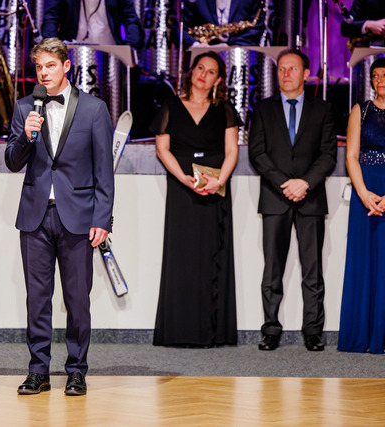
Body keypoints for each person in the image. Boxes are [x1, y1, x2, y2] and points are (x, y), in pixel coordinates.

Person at [5, 38, 114, 396]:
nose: (43, 73)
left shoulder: (94, 109)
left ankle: (77, 370)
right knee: (37, 299)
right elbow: (12, 161)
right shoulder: (25, 107)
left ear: (67, 66)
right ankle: (38, 370)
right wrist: (26, 136)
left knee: (77, 299)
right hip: (35, 216)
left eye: (50, 65)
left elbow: (104, 170)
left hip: (79, 218)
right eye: (39, 67)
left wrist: (103, 218)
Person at [249, 49, 337, 352]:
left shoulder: (323, 109)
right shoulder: (263, 109)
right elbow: (257, 153)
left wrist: (305, 183)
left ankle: (313, 331)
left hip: (311, 200)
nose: (286, 74)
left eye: (293, 68)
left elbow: (328, 155)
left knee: (313, 271)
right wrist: (285, 184)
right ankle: (270, 330)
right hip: (275, 198)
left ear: (306, 74)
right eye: (281, 69)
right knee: (272, 270)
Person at [150, 51, 239, 347]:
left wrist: (219, 181)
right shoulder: (172, 105)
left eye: (211, 71)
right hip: (182, 187)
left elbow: (232, 151)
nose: (203, 74)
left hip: (214, 186)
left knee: (213, 253)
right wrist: (183, 178)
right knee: (182, 256)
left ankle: (213, 332)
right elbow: (162, 149)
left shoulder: (225, 109)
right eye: (200, 68)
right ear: (192, 72)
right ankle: (179, 331)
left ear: (219, 80)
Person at [337, 58, 385, 354]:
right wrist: (364, 193)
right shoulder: (361, 110)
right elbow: (351, 156)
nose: (380, 80)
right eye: (375, 75)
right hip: (364, 190)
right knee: (363, 260)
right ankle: (361, 335)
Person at [42, 0, 145, 49]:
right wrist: (53, 46)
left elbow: (131, 20)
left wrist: (131, 48)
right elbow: (51, 17)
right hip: (72, 54)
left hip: (111, 55)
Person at [177, 0, 266, 47]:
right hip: (202, 54)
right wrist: (196, 44)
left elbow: (257, 26)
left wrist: (231, 48)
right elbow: (179, 26)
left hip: (239, 55)